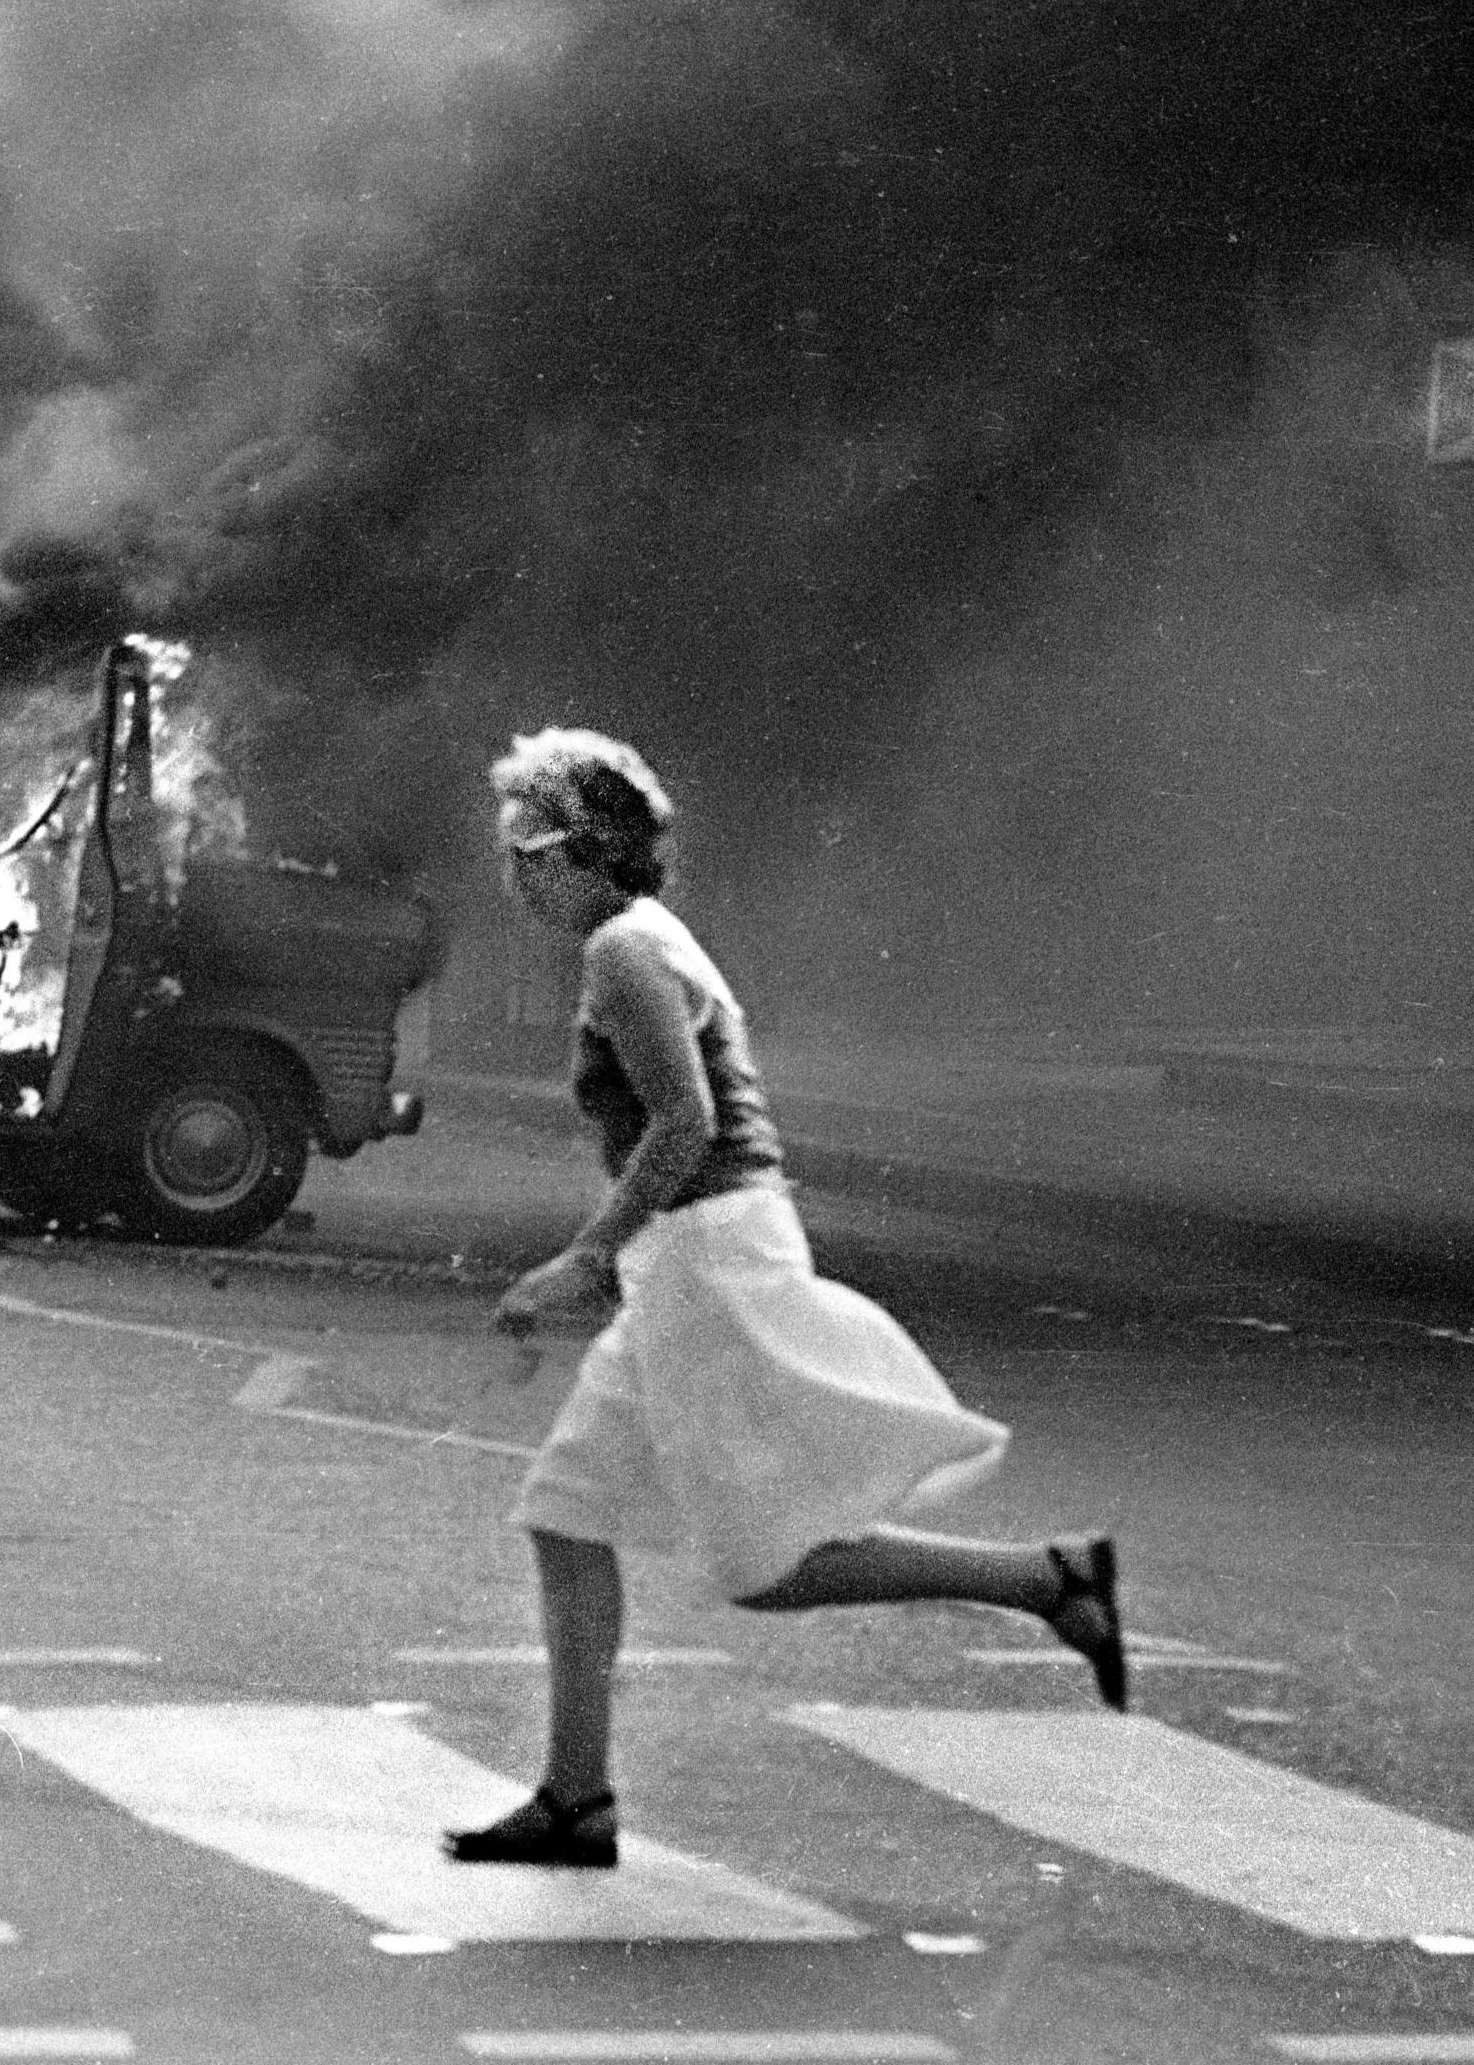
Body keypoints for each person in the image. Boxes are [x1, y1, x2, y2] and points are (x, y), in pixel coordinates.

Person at [446, 727, 1126, 1870]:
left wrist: (581, 1257)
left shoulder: (626, 949)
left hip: (710, 1257)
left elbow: (685, 1124)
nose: (515, 873)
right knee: (566, 1511)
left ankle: (1045, 1578)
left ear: (594, 851)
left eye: (534, 847)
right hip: (689, 1254)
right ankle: (575, 1800)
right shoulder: (635, 940)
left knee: (764, 1567)